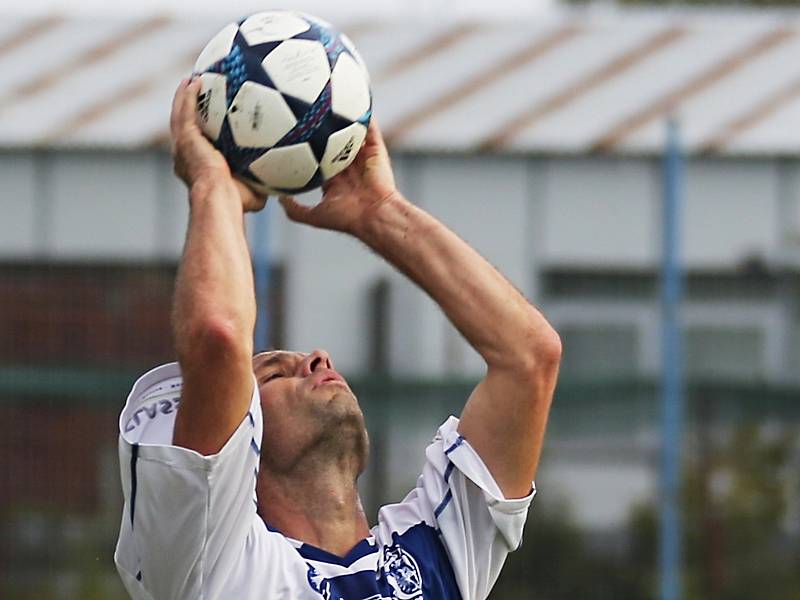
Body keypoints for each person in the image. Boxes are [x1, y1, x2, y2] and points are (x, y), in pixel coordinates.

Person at [114, 78, 562, 600]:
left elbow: (530, 356)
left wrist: (382, 213)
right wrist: (213, 184)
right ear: (239, 454)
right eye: (274, 372)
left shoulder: (435, 556)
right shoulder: (214, 565)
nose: (317, 358)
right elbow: (218, 338)